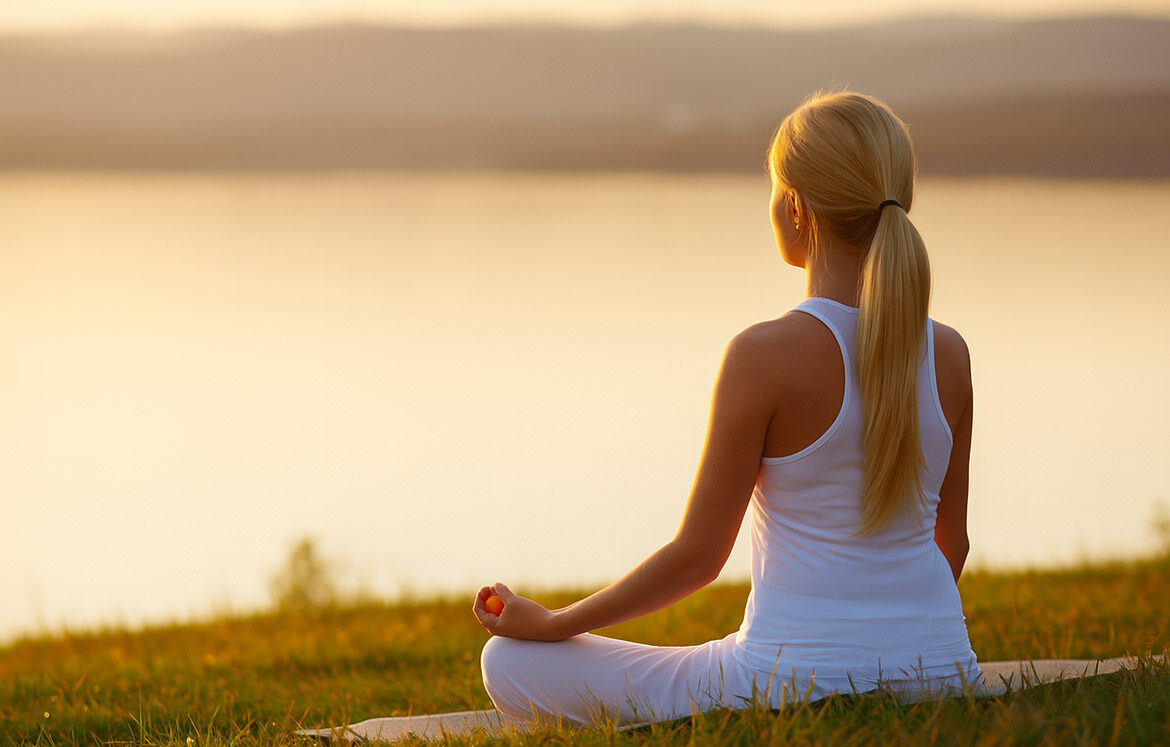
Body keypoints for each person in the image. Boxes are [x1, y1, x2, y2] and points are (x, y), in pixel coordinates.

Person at [472, 90, 983, 726]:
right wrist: (895, 645)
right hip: (942, 672)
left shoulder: (762, 355)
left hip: (781, 684)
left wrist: (553, 623)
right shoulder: (950, 353)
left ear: (795, 208)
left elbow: (697, 559)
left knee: (509, 661)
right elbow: (949, 541)